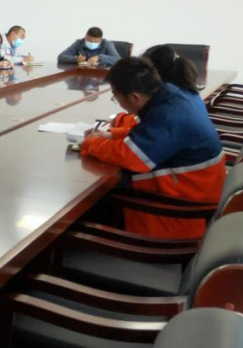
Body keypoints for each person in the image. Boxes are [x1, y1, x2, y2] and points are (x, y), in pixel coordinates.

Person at [79, 57, 224, 239]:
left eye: (116, 97)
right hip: (192, 194)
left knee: (86, 214)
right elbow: (155, 135)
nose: (118, 102)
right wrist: (112, 135)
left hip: (177, 216)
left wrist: (90, 143)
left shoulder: (169, 114)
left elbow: (131, 157)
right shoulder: (173, 95)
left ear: (134, 97)